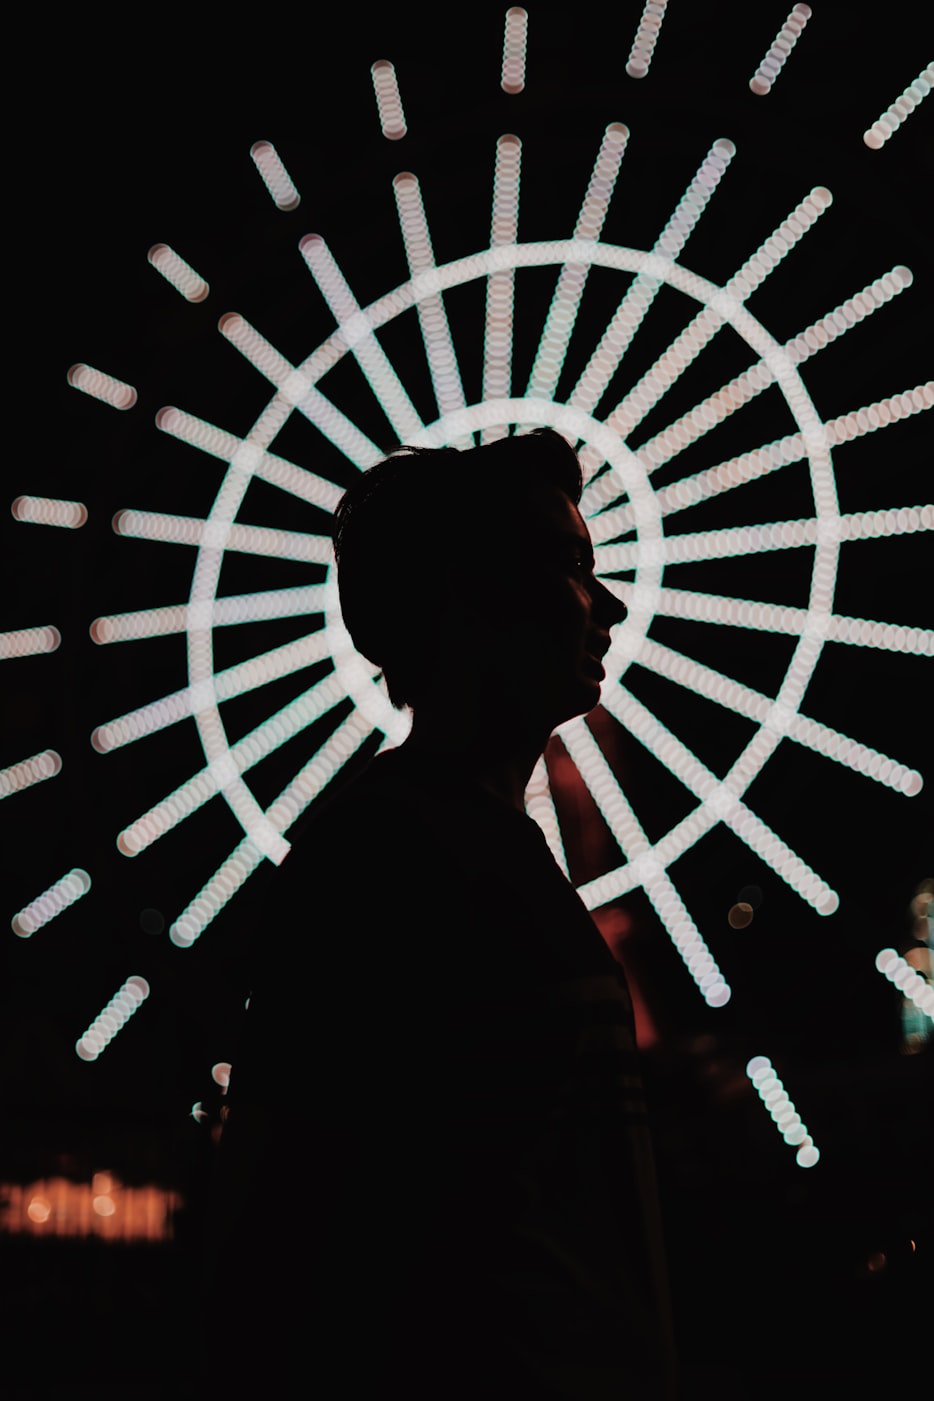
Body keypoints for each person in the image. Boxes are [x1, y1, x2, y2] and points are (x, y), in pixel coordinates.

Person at [203, 428, 677, 1398]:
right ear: (470, 600)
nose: (610, 604)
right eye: (569, 567)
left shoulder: (452, 846)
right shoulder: (386, 861)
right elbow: (296, 1198)